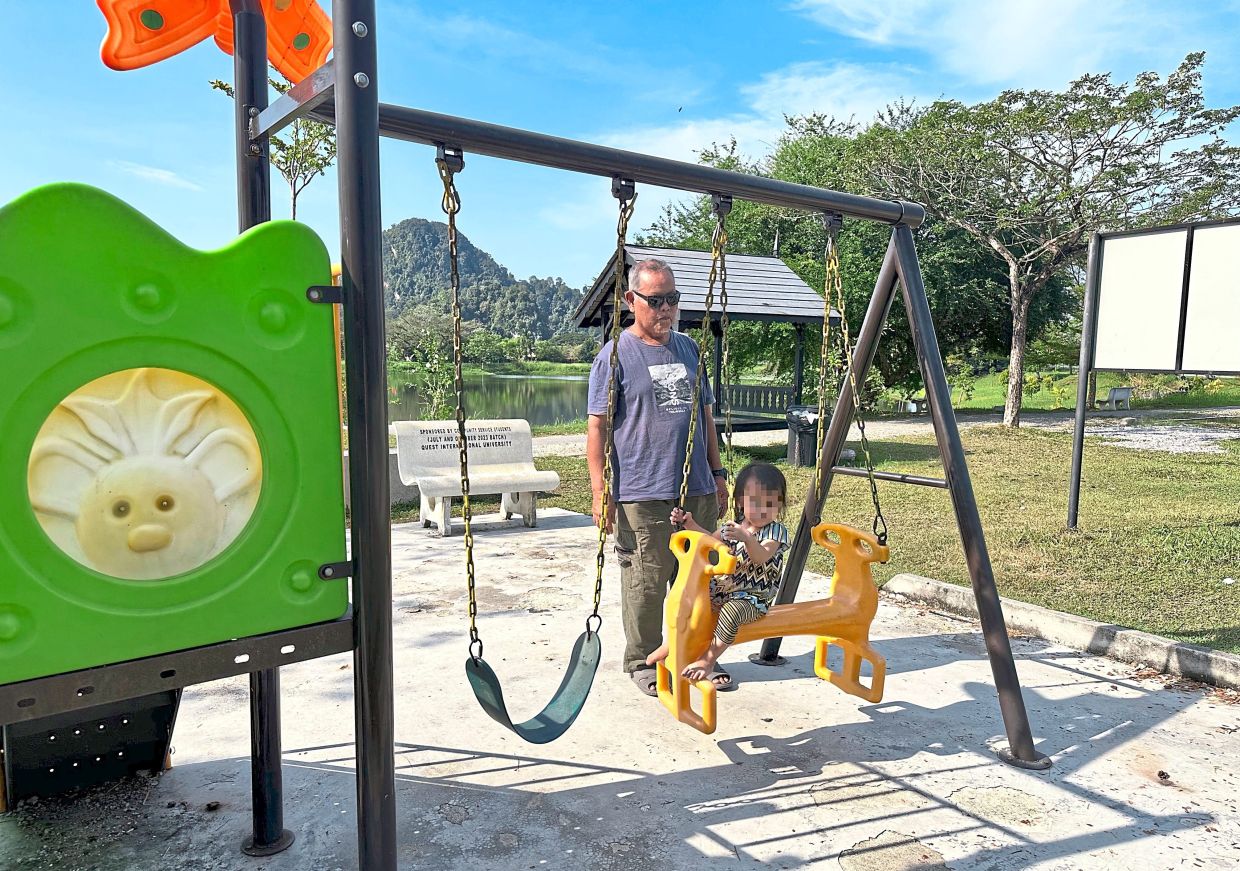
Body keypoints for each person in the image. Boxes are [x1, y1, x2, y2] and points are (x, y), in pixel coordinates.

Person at [586, 258, 730, 698]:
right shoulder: (615, 357)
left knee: (700, 581)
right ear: (632, 301)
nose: (665, 309)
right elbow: (597, 427)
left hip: (696, 487)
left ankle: (698, 656)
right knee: (646, 580)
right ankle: (643, 659)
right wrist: (599, 489)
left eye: (672, 299)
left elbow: (705, 416)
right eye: (655, 300)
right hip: (642, 491)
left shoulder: (688, 348)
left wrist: (719, 472)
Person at [646, 463, 791, 684]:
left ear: (779, 505)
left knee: (730, 613)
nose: (762, 509)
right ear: (741, 501)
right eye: (755, 502)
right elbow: (710, 541)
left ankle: (709, 659)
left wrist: (747, 539)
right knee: (688, 601)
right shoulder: (734, 527)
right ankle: (670, 645)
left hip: (752, 597)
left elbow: (761, 556)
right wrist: (689, 524)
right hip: (723, 589)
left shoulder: (776, 532)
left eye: (770, 504)